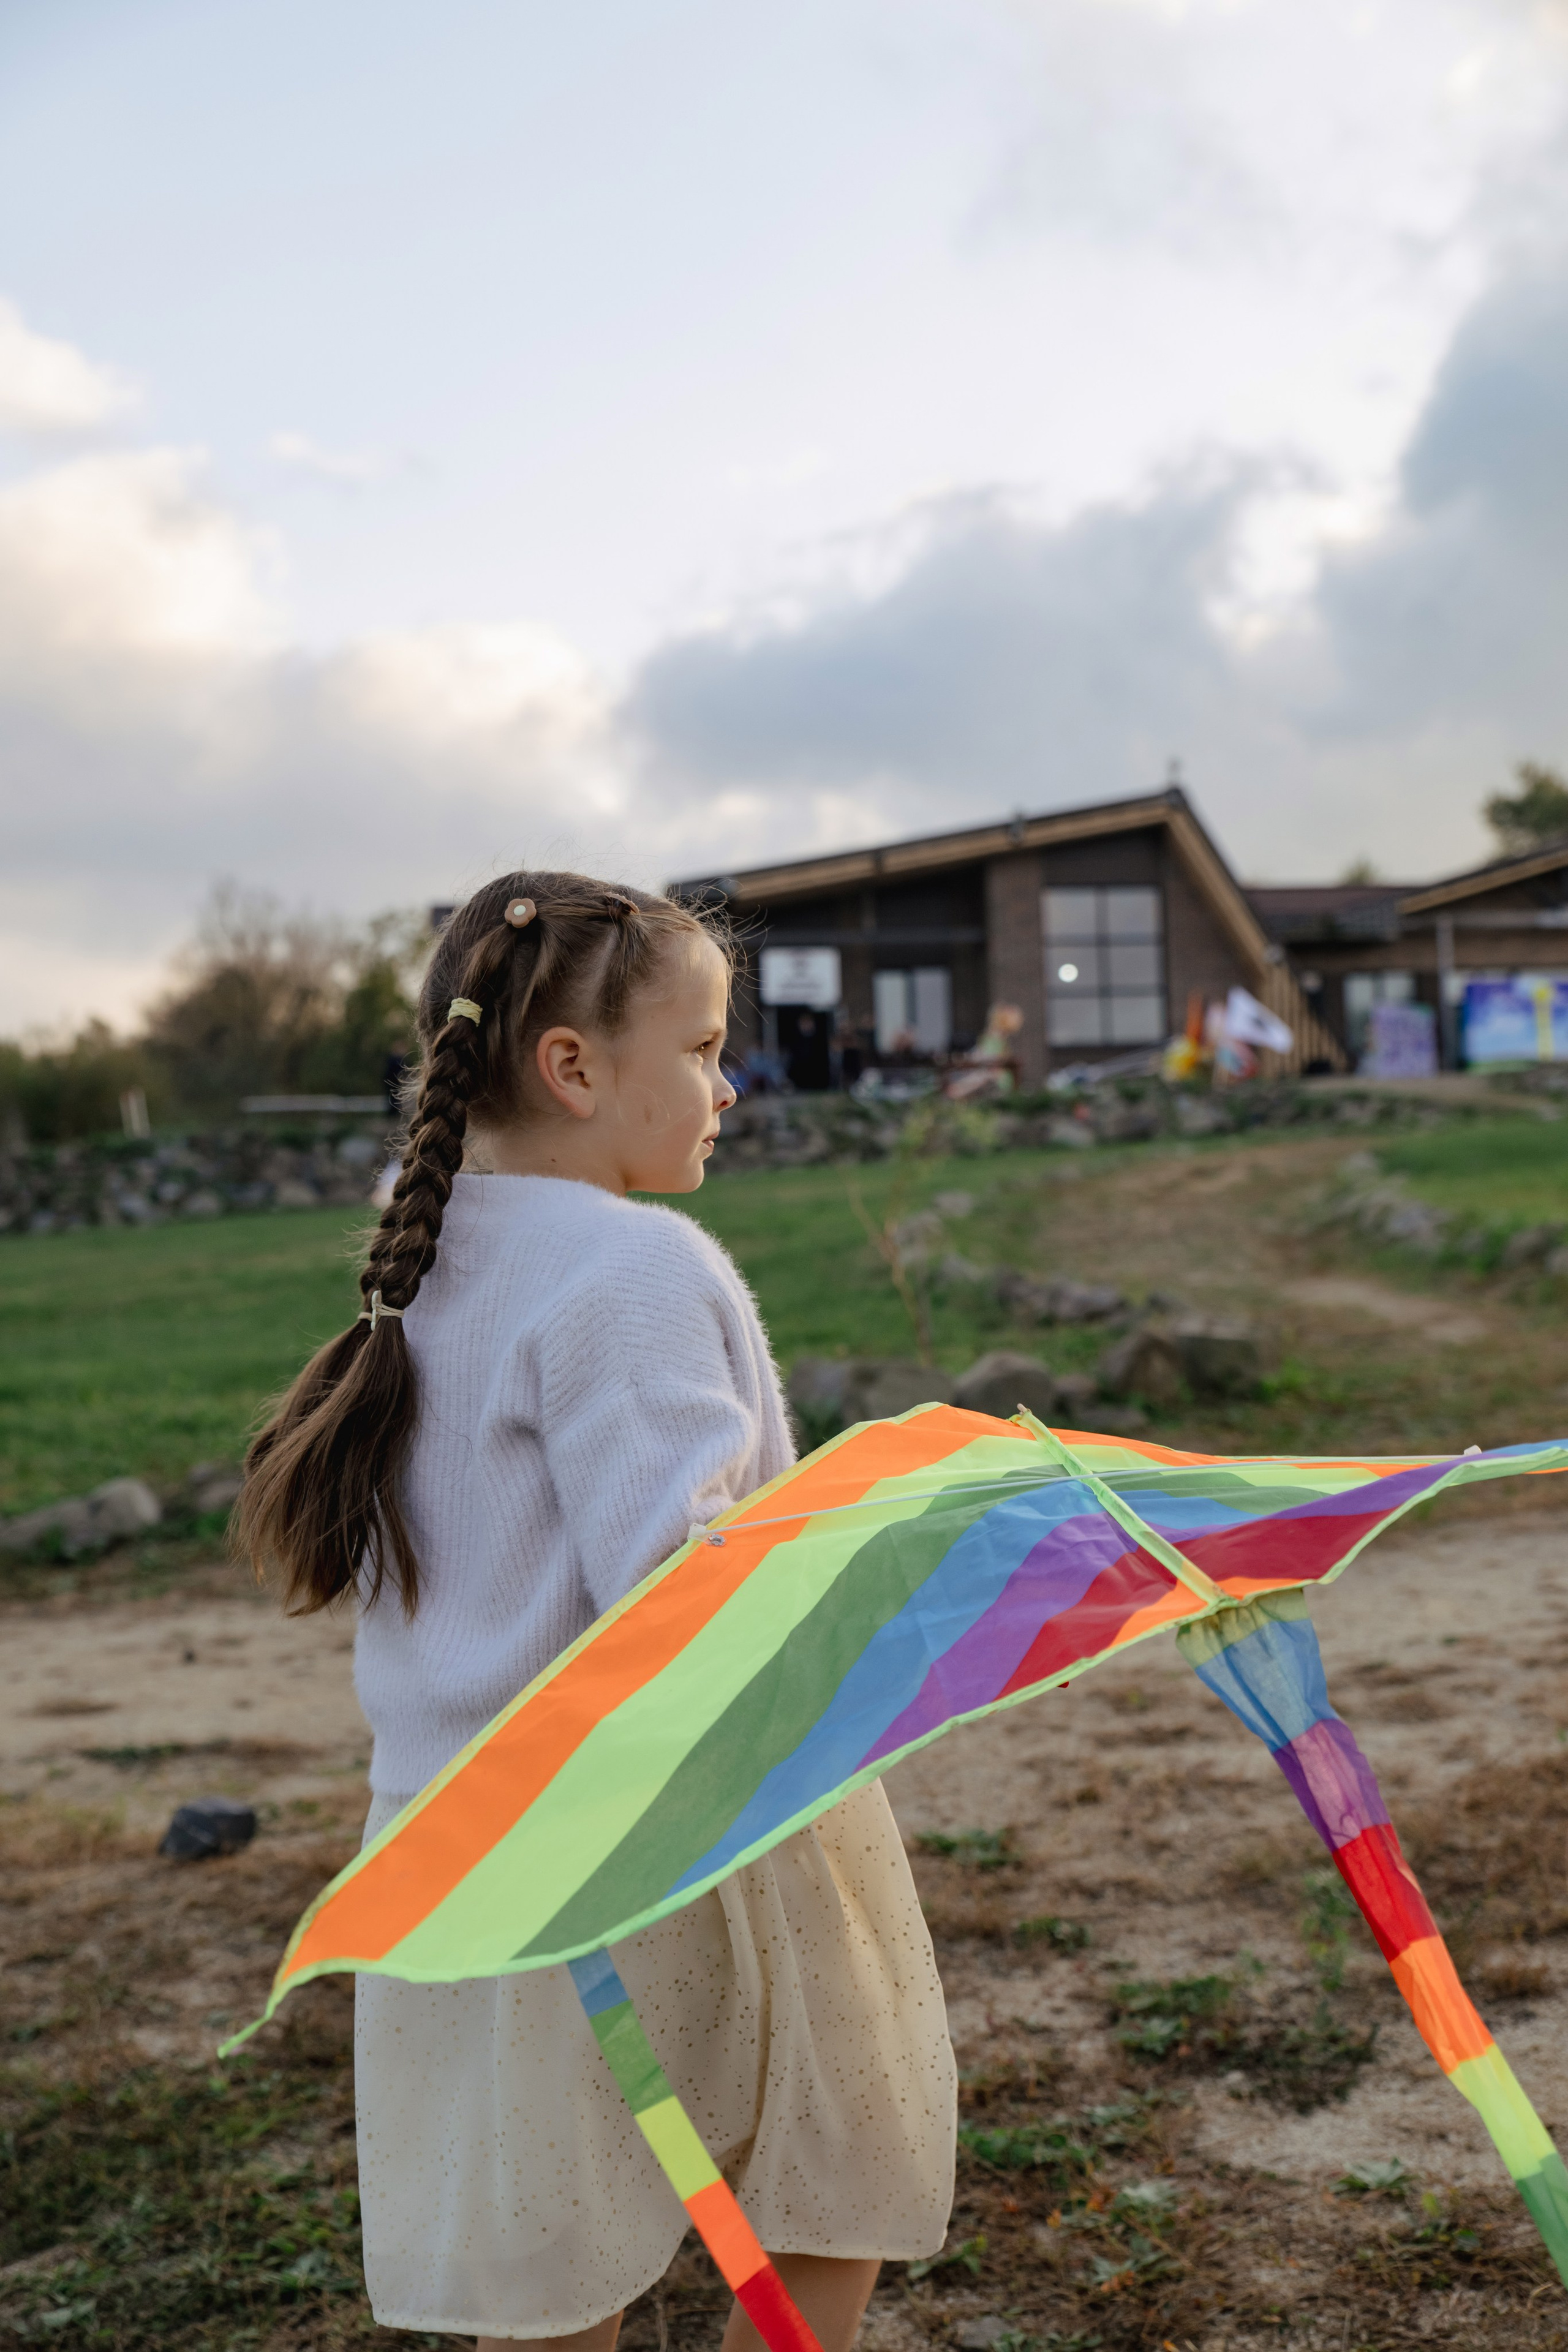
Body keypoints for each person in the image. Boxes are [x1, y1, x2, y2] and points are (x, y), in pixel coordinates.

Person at [235, 871, 956, 2352]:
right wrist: (895, 1548)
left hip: (460, 1842)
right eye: (697, 1050)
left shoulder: (425, 1254)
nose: (727, 1085)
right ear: (571, 1068)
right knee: (828, 2157)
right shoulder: (629, 1266)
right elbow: (683, 1593)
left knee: (551, 2243)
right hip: (668, 1829)